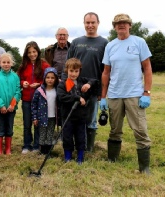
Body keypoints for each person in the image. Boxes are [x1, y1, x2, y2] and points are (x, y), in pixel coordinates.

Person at [100, 13, 152, 174]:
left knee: (140, 130)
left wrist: (146, 92)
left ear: (130, 25)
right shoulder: (110, 46)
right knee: (115, 129)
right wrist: (103, 96)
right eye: (118, 23)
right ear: (114, 27)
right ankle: (112, 160)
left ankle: (144, 168)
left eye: (125, 23)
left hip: (134, 94)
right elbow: (106, 72)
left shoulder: (139, 42)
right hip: (115, 94)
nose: (121, 25)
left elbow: (147, 68)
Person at [63, 12, 108, 153]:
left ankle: (89, 148)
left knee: (91, 120)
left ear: (98, 23)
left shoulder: (104, 43)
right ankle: (77, 145)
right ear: (84, 24)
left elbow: (106, 69)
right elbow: (68, 65)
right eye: (87, 23)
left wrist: (102, 91)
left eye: (93, 22)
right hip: (75, 89)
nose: (90, 25)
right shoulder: (76, 42)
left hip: (94, 89)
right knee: (75, 118)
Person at [57, 58, 99, 165]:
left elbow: (95, 81)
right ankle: (68, 156)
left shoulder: (82, 81)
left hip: (81, 117)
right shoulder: (63, 84)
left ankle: (80, 157)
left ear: (80, 71)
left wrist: (89, 84)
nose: (74, 74)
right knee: (67, 137)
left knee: (81, 137)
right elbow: (62, 97)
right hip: (67, 116)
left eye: (76, 71)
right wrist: (77, 98)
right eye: (71, 71)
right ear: (67, 70)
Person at [17, 41, 50, 154]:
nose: (32, 54)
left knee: (37, 123)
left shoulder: (44, 65)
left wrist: (39, 84)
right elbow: (18, 80)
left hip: (39, 100)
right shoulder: (23, 66)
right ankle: (27, 145)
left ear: (38, 52)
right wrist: (23, 83)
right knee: (27, 124)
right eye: (29, 52)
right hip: (26, 99)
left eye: (34, 52)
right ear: (26, 53)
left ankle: (36, 145)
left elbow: (49, 79)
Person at [0, 52, 21, 155]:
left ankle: (8, 149)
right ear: (0, 63)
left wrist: (12, 105)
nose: (6, 64)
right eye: (4, 62)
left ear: (12, 63)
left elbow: (18, 91)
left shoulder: (15, 77)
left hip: (11, 109)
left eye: (8, 62)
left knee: (9, 128)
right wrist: (1, 105)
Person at [31, 67, 59, 155]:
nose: (50, 80)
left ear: (56, 79)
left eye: (52, 78)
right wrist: (34, 117)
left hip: (53, 117)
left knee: (50, 133)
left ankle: (49, 151)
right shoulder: (39, 91)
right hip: (42, 117)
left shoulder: (57, 90)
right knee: (42, 134)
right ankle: (42, 151)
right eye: (48, 77)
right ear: (44, 78)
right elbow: (34, 105)